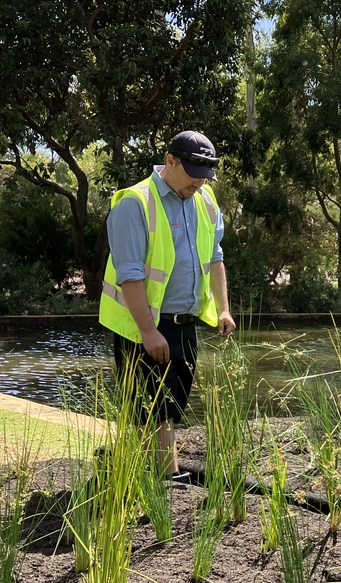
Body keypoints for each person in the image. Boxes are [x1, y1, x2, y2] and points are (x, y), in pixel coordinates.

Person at [101, 131, 237, 481]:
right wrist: (148, 331)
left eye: (205, 174)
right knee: (151, 409)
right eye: (193, 171)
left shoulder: (204, 200)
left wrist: (223, 309)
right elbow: (129, 274)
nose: (200, 181)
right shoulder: (135, 202)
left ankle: (138, 473)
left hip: (185, 323)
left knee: (171, 405)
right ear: (170, 160)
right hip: (143, 325)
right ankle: (165, 479)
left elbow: (215, 258)